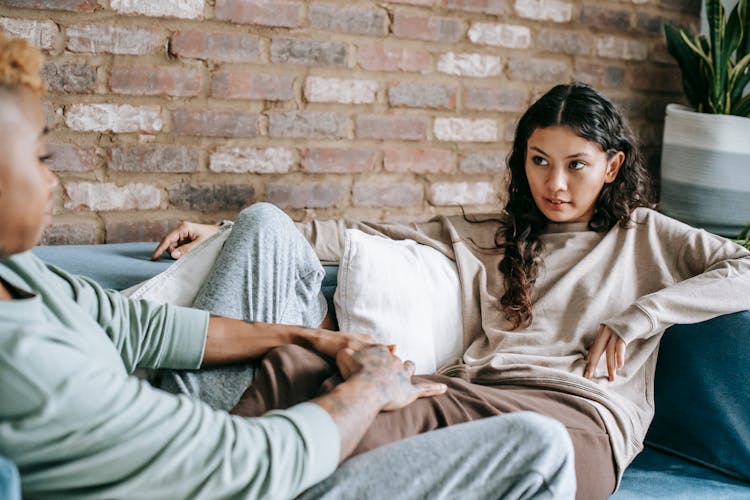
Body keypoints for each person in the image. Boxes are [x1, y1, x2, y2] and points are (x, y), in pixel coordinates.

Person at [0, 34, 577, 500]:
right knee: (539, 446)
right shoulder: (23, 366)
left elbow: (141, 329)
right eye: (40, 155)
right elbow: (246, 461)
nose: (53, 178)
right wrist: (371, 386)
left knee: (265, 224)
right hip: (237, 472)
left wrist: (324, 340)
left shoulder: (22, 275)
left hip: (207, 435)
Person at [160, 82, 750, 499]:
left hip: (576, 421)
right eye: (539, 161)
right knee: (292, 366)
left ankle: (211, 474)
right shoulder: (493, 234)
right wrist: (225, 231)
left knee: (365, 423)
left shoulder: (646, 235)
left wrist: (641, 314)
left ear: (612, 167)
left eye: (577, 165)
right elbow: (360, 233)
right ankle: (193, 468)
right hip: (469, 392)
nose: (555, 183)